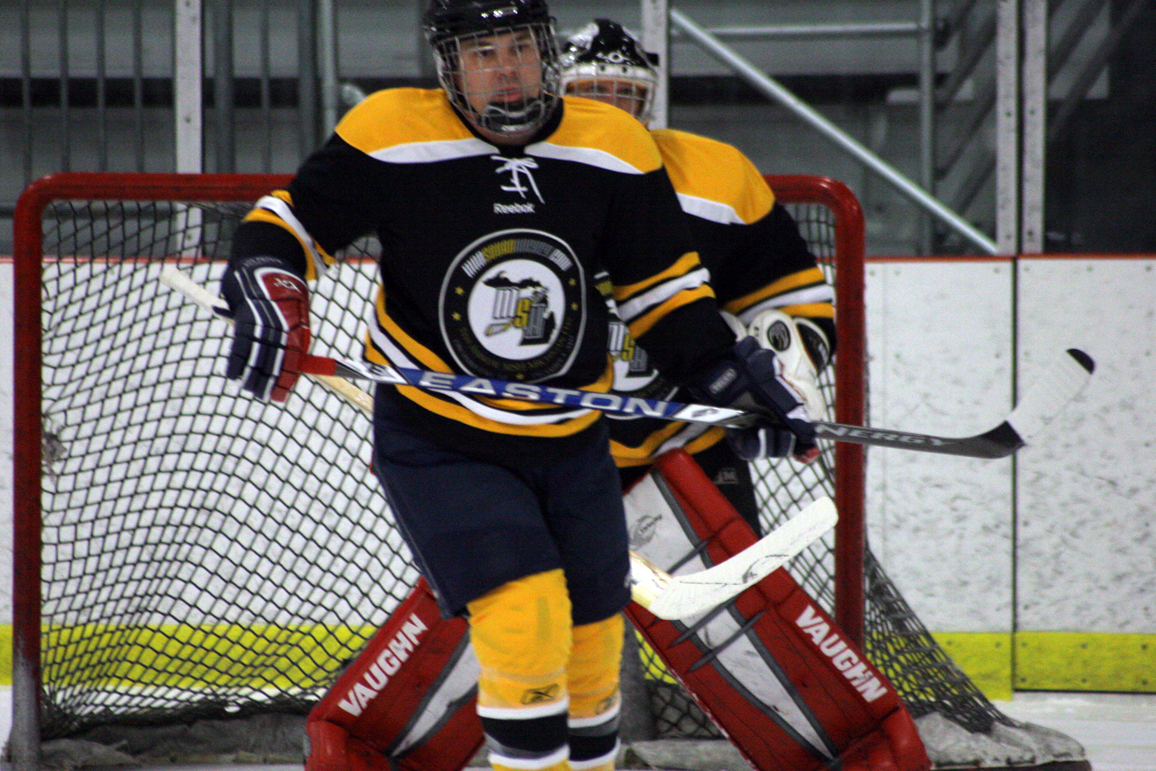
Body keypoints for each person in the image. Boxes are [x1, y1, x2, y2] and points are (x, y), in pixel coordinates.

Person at [217, 3, 816, 771]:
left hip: (572, 444)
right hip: (442, 437)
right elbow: (290, 224)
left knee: (592, 650)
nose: (506, 70)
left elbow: (661, 294)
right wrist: (270, 276)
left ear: (547, 54)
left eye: (520, 49)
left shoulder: (612, 144)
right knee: (525, 621)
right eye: (482, 53)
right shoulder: (391, 132)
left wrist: (727, 377)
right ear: (449, 67)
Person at [558, 19, 837, 534]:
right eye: (592, 94)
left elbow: (797, 305)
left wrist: (773, 386)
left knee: (742, 590)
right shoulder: (509, 182)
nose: (611, 111)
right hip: (546, 450)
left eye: (626, 94)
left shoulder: (716, 176)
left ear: (649, 101)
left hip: (691, 443)